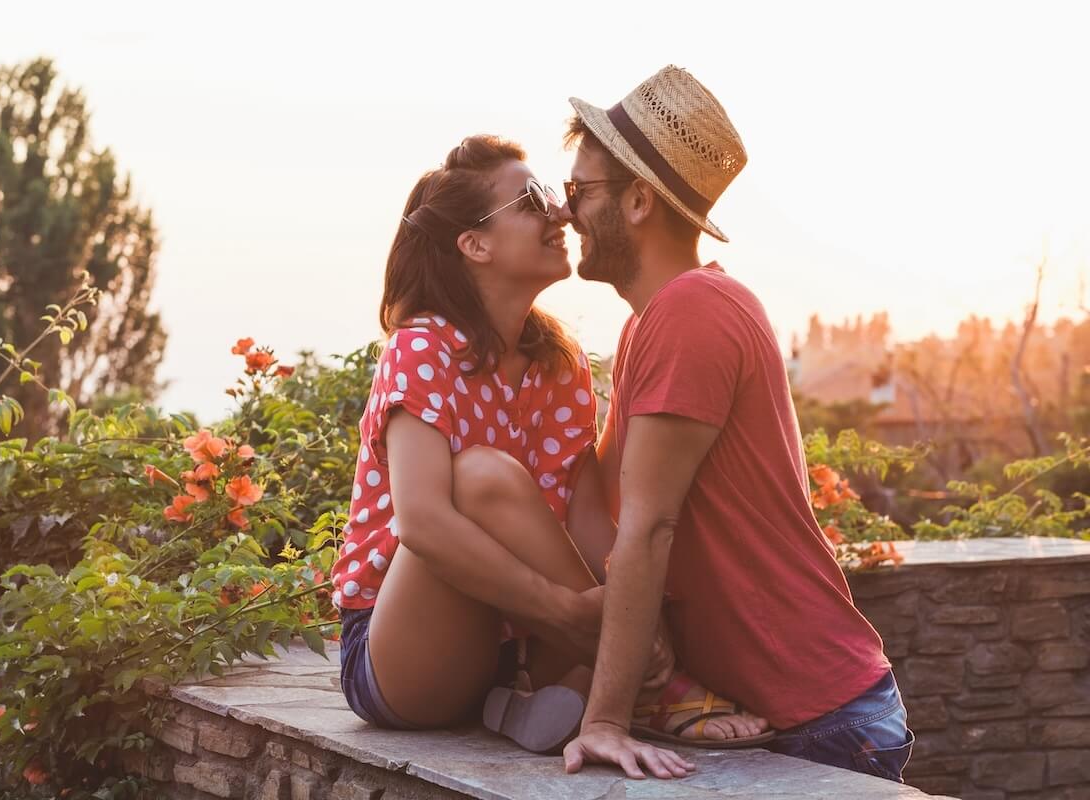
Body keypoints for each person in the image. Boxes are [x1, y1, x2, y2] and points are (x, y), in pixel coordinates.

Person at [332, 134, 768, 758]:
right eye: (532, 200)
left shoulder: (555, 363)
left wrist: (642, 620)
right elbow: (422, 523)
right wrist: (568, 614)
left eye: (554, 196)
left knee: (512, 495)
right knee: (483, 477)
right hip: (395, 653)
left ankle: (544, 692)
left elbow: (588, 521)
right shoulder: (422, 348)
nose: (558, 212)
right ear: (475, 244)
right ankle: (643, 686)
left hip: (506, 646)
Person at [558, 66, 914, 782]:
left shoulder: (693, 312)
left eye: (579, 191)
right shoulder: (656, 324)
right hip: (781, 712)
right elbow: (593, 503)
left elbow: (649, 528)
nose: (566, 212)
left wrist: (604, 720)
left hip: (819, 723)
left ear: (636, 201)